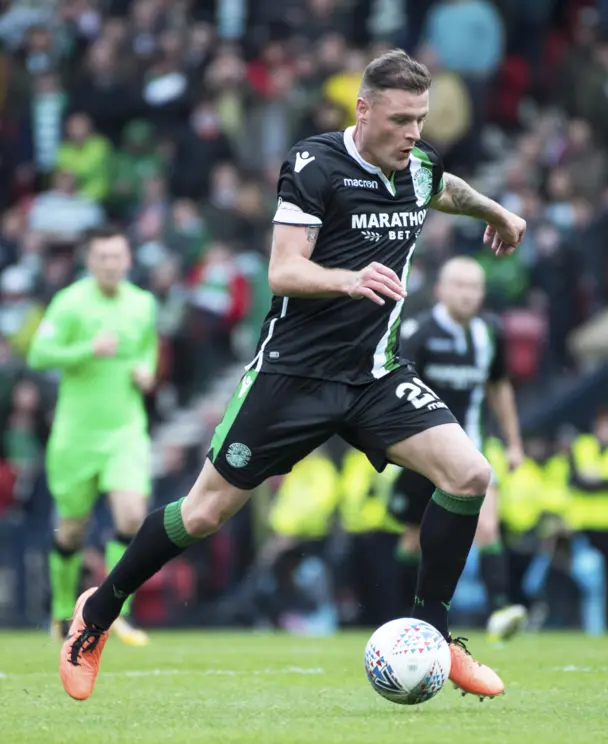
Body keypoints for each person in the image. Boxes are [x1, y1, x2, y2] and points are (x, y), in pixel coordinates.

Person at [58, 49, 526, 702]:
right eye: (399, 120)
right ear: (363, 110)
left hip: (373, 376)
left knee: (471, 474)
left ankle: (433, 631)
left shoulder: (417, 166)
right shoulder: (315, 164)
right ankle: (96, 614)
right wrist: (347, 278)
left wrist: (496, 213)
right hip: (292, 375)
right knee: (202, 514)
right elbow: (282, 269)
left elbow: (444, 187)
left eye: (420, 119)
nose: (413, 133)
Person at [28, 227, 157, 647]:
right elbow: (39, 354)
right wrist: (86, 348)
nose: (110, 264)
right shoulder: (69, 303)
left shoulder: (142, 304)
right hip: (76, 434)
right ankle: (62, 612)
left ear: (128, 259)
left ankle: (119, 612)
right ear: (89, 260)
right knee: (71, 530)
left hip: (125, 430)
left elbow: (148, 350)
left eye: (117, 256)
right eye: (102, 257)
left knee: (131, 516)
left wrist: (147, 371)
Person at [389, 256, 527, 642]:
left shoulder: (489, 334)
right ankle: (403, 620)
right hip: (422, 453)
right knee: (413, 537)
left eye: (475, 286)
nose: (468, 294)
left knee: (487, 524)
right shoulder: (418, 332)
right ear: (441, 290)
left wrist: (514, 444)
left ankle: (501, 609)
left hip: (473, 450)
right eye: (460, 285)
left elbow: (500, 388)